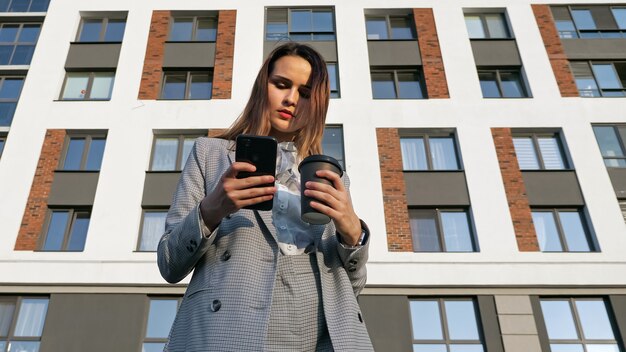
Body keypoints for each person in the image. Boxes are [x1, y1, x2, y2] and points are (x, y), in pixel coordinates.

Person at [157, 42, 373, 352]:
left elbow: (348, 289)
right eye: (282, 84)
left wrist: (353, 234)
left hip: (322, 337)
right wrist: (211, 210)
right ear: (263, 86)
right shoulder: (210, 155)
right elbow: (169, 264)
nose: (291, 100)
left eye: (306, 93)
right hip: (233, 329)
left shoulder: (329, 176)